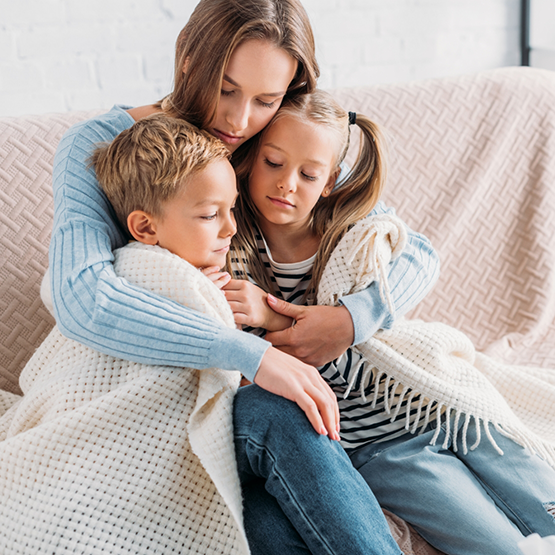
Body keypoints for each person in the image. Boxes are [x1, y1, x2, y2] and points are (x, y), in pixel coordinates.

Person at [46, 0, 439, 552]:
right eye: (225, 88)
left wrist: (350, 320)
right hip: (169, 401)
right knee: (272, 433)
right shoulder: (100, 147)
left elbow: (414, 251)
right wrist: (251, 354)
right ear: (188, 59)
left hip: (245, 405)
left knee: (264, 519)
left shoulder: (274, 144)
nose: (237, 120)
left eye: (265, 99)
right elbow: (83, 298)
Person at [227, 89, 555, 555]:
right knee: (497, 546)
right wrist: (267, 317)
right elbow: (271, 366)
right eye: (274, 163)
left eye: (308, 174)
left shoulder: (351, 225)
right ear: (250, 159)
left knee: (544, 500)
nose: (287, 184)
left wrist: (349, 319)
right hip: (380, 449)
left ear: (329, 182)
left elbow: (420, 256)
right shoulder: (234, 243)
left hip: (436, 402)